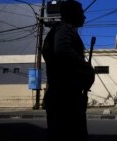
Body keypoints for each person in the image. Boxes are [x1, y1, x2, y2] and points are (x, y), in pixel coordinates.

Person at [42, 0, 95, 141]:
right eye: (81, 13)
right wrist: (86, 68)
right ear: (72, 14)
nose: (84, 17)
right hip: (65, 98)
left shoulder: (59, 31)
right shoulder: (63, 29)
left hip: (62, 96)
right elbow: (62, 50)